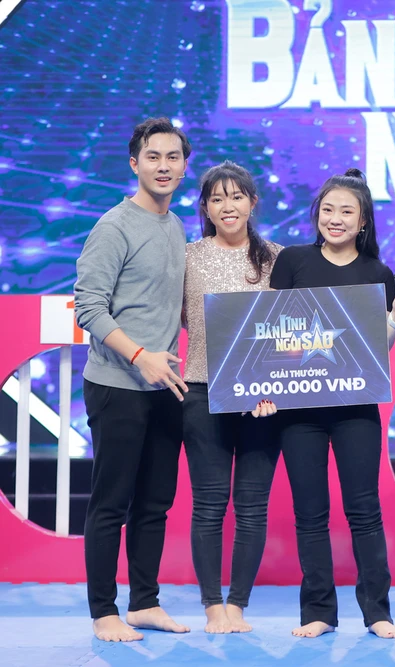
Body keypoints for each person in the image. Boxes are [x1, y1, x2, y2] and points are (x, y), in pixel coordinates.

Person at [268, 168, 395, 639]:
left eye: (346, 211)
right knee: (310, 513)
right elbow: (270, 335)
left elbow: (378, 349)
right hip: (299, 412)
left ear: (363, 221)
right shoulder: (292, 261)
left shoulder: (378, 275)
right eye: (328, 209)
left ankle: (378, 612)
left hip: (356, 410)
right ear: (317, 215)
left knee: (364, 510)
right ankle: (318, 612)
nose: (336, 219)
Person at [74, 117, 192, 642]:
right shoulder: (114, 226)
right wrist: (140, 355)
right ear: (134, 163)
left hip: (164, 386)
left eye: (173, 157)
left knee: (155, 504)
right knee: (111, 504)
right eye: (153, 157)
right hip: (116, 383)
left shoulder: (176, 226)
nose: (163, 166)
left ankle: (144, 603)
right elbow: (89, 307)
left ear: (183, 167)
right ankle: (104, 612)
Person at [181, 161, 282, 633]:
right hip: (203, 391)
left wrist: (271, 385)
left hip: (264, 401)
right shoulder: (187, 257)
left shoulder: (277, 258)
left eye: (237, 196)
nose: (228, 206)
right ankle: (212, 606)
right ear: (205, 207)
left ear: (252, 203)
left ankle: (238, 605)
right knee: (208, 503)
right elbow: (179, 319)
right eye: (217, 198)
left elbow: (291, 329)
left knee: (252, 505)